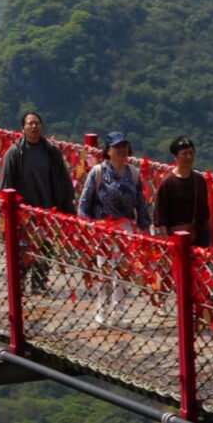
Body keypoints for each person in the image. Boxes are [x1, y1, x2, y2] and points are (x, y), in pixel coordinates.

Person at [0, 111, 76, 295]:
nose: (34, 126)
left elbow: (63, 178)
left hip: (48, 208)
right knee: (24, 249)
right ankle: (19, 284)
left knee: (46, 247)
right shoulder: (15, 153)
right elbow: (6, 183)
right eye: (30, 123)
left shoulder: (51, 151)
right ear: (23, 128)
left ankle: (39, 283)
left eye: (37, 123)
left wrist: (67, 205)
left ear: (42, 127)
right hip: (25, 211)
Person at [78, 131, 150, 326]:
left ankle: (118, 311)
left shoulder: (133, 173)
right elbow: (84, 202)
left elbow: (141, 203)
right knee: (104, 270)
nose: (121, 150)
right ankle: (102, 309)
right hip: (102, 228)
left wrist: (145, 228)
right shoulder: (98, 172)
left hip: (125, 228)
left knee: (122, 272)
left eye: (124, 146)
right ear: (108, 151)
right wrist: (86, 228)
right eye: (117, 147)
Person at [153, 136, 211, 247]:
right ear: (175, 156)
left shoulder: (199, 180)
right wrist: (167, 242)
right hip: (176, 239)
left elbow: (205, 213)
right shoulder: (168, 182)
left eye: (191, 153)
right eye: (184, 154)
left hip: (199, 236)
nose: (189, 157)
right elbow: (160, 216)